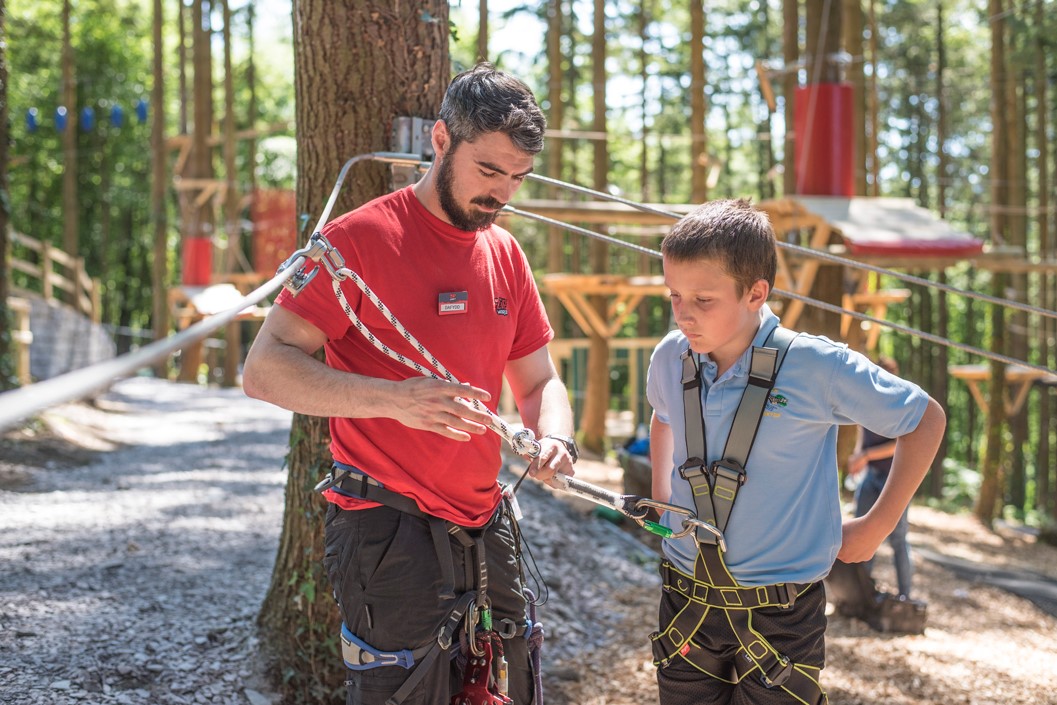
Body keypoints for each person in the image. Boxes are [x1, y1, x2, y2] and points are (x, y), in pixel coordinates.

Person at [243, 63, 577, 705]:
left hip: (486, 520)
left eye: (518, 177)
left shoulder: (505, 253)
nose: (503, 192)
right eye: (489, 171)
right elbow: (264, 370)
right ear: (442, 140)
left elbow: (538, 382)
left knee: (512, 684)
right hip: (386, 525)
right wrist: (396, 401)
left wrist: (554, 439)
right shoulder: (358, 241)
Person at [645, 199, 945, 705]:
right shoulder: (671, 357)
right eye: (674, 295)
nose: (683, 314)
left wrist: (875, 527)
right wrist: (660, 496)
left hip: (780, 613)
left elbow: (924, 419)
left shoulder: (814, 366)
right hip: (687, 597)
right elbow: (665, 416)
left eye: (703, 299)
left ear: (755, 293)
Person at [847, 357, 913, 598]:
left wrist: (866, 455)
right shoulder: (865, 401)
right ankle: (862, 593)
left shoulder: (901, 404)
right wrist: (857, 457)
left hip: (894, 478)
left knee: (898, 537)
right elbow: (860, 432)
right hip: (870, 476)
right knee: (860, 531)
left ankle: (906, 595)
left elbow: (899, 445)